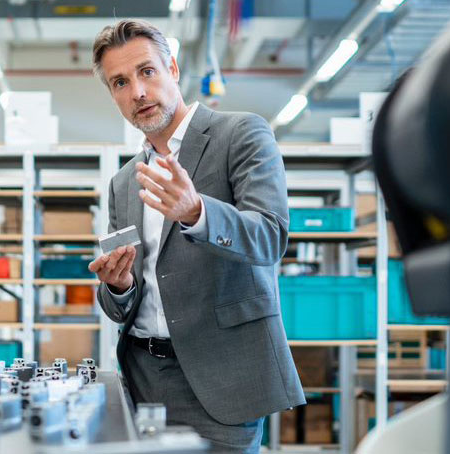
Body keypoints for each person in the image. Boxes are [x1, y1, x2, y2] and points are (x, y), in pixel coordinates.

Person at [87, 19, 304, 453]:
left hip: (222, 379)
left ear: (173, 69)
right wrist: (119, 285)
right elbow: (122, 300)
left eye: (147, 72)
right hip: (142, 379)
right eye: (120, 82)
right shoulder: (125, 181)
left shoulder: (241, 134)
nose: (138, 93)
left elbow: (270, 237)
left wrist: (198, 212)